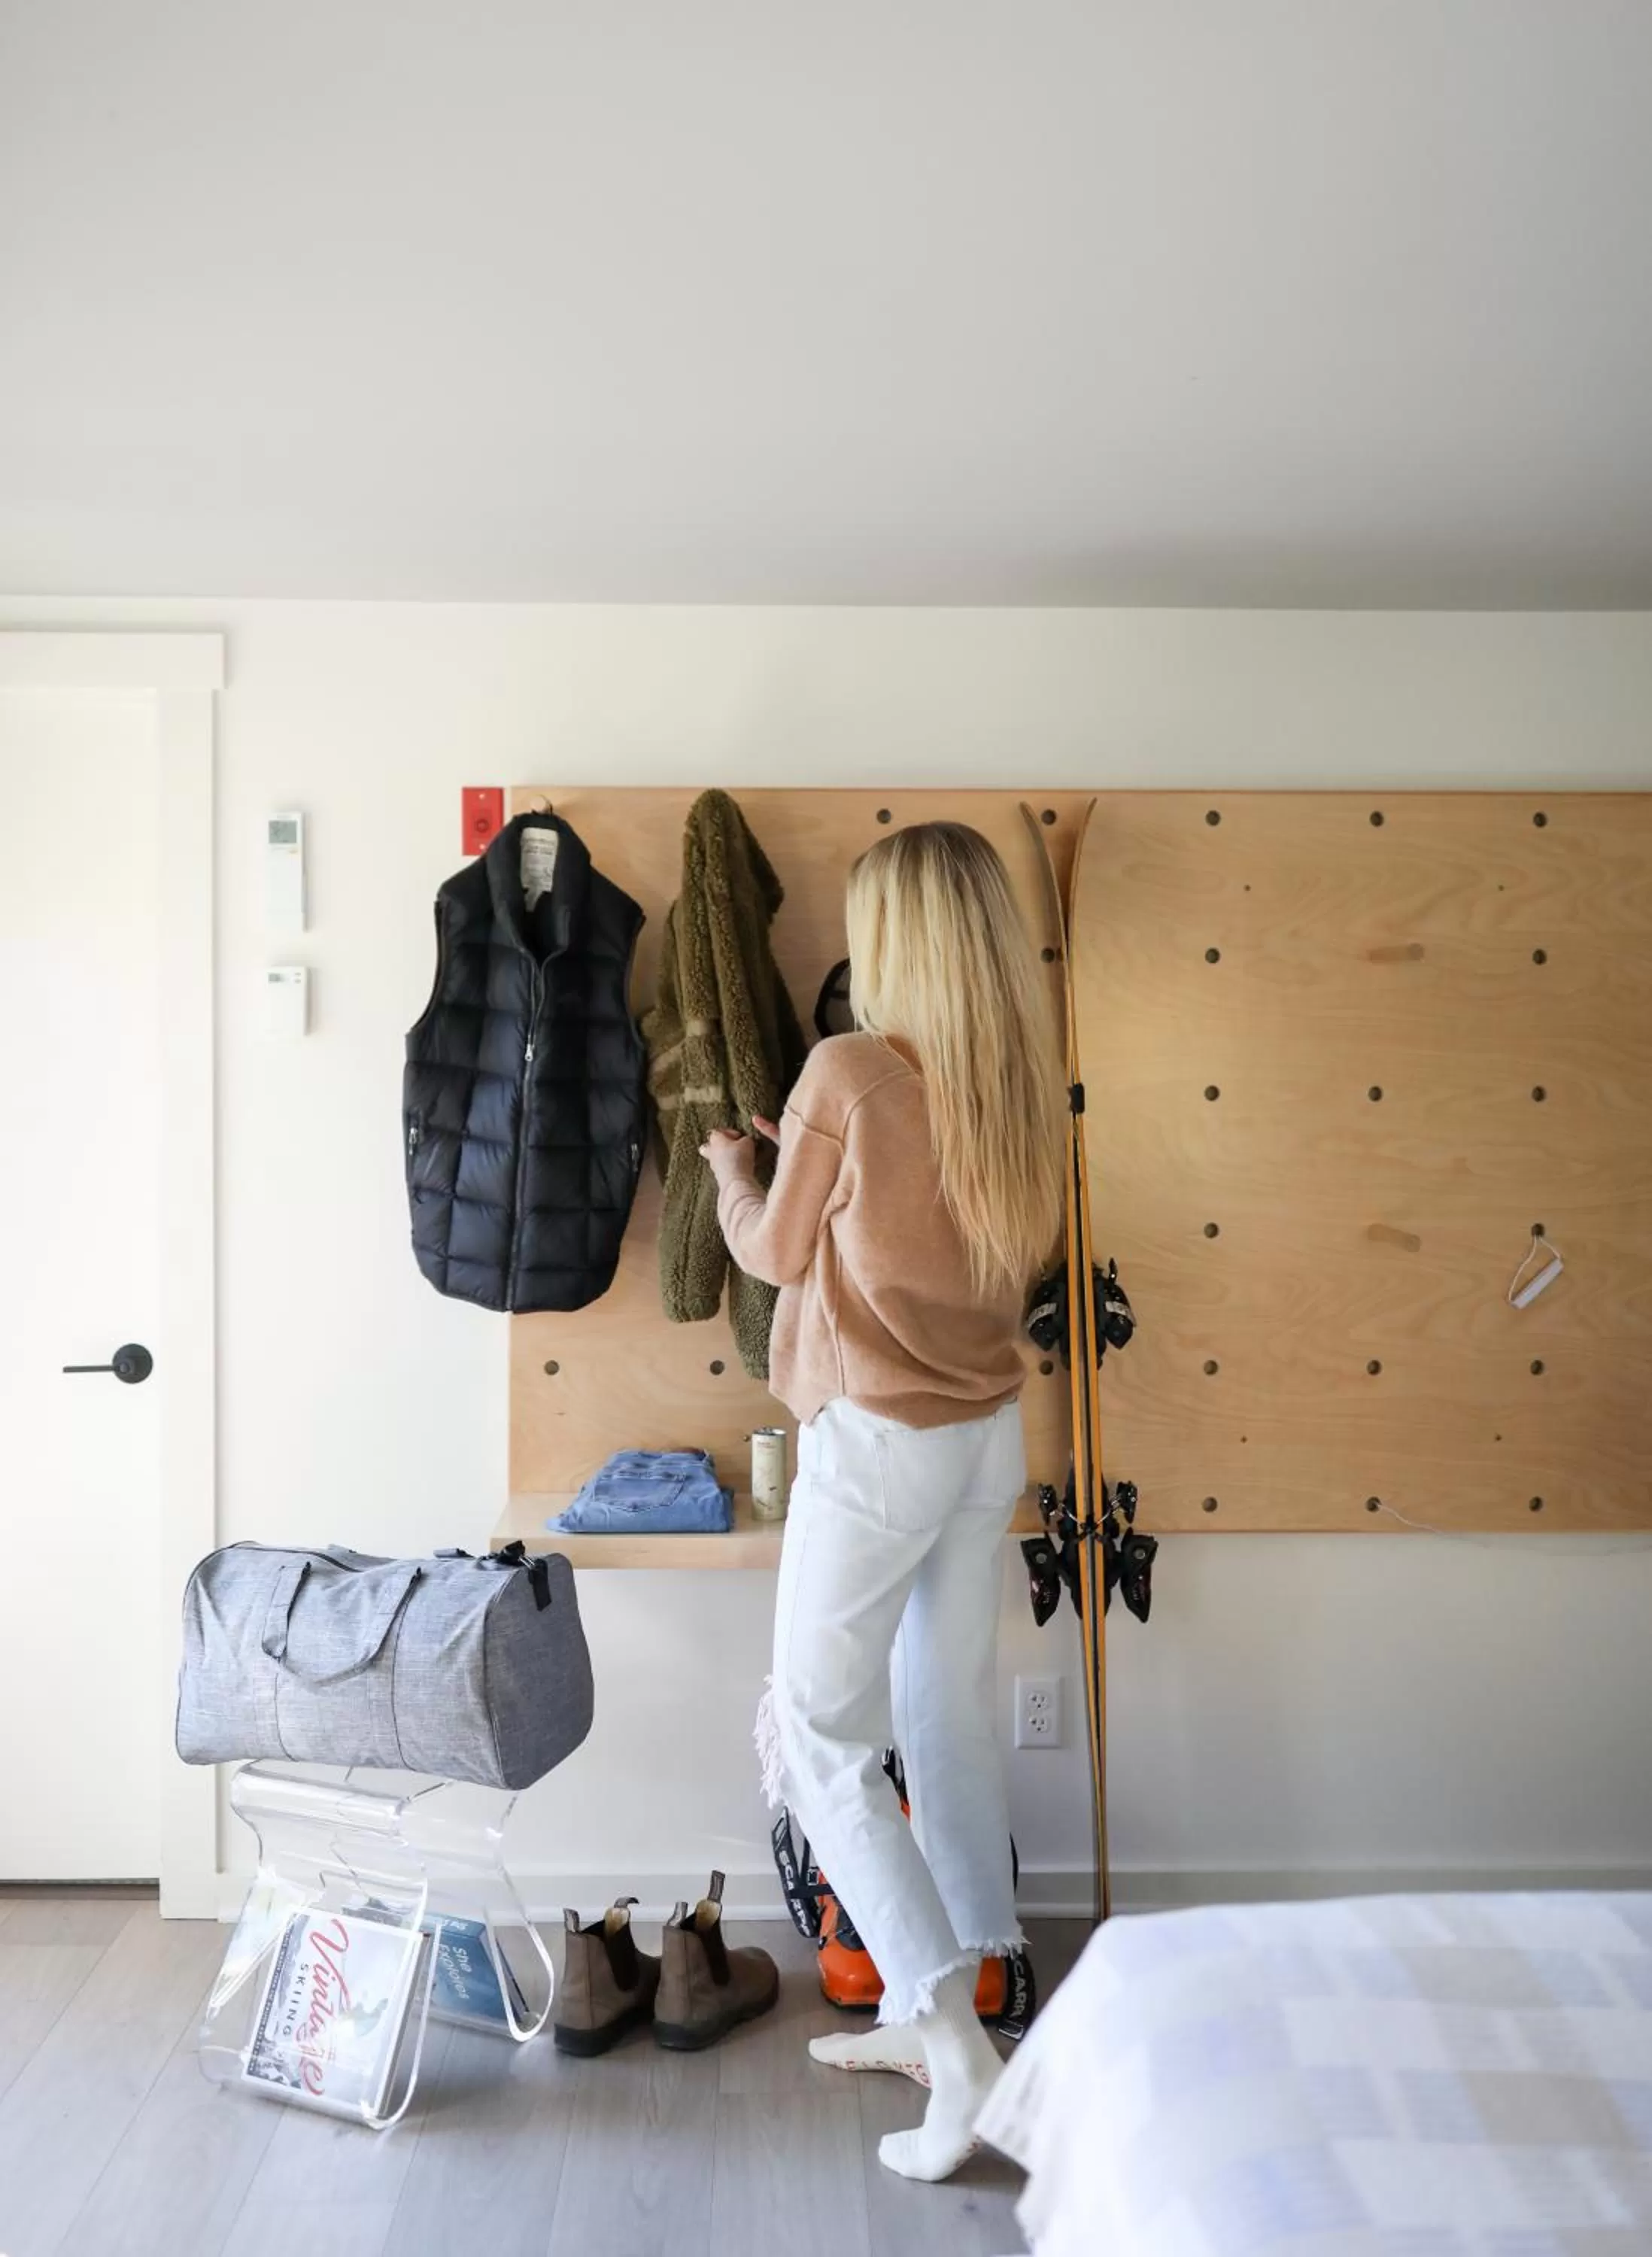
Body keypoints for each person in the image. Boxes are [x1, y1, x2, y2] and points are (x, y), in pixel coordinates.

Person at [701, 820, 1064, 2183]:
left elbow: (774, 1253)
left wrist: (738, 1170)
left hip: (880, 1447)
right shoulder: (1015, 1082)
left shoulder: (849, 1071)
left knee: (821, 1737)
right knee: (945, 1720)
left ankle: (950, 2051)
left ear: (896, 936)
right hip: (986, 1438)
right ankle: (972, 2009)